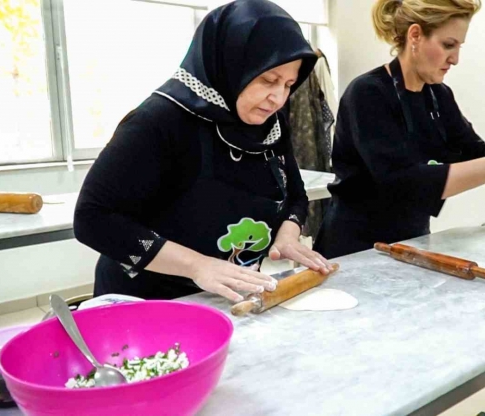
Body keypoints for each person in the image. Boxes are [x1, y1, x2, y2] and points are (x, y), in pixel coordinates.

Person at [74, 0, 333, 303]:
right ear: (231, 64)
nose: (278, 98)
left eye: (289, 84)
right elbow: (92, 219)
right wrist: (197, 265)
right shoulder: (160, 121)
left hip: (225, 297)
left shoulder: (269, 124)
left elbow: (295, 195)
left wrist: (288, 233)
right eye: (268, 80)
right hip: (147, 302)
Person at [314, 0, 485, 259]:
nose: (455, 59)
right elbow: (401, 182)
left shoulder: (438, 95)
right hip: (353, 250)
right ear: (416, 35)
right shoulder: (368, 93)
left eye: (459, 47)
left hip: (412, 242)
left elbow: (473, 150)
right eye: (448, 45)